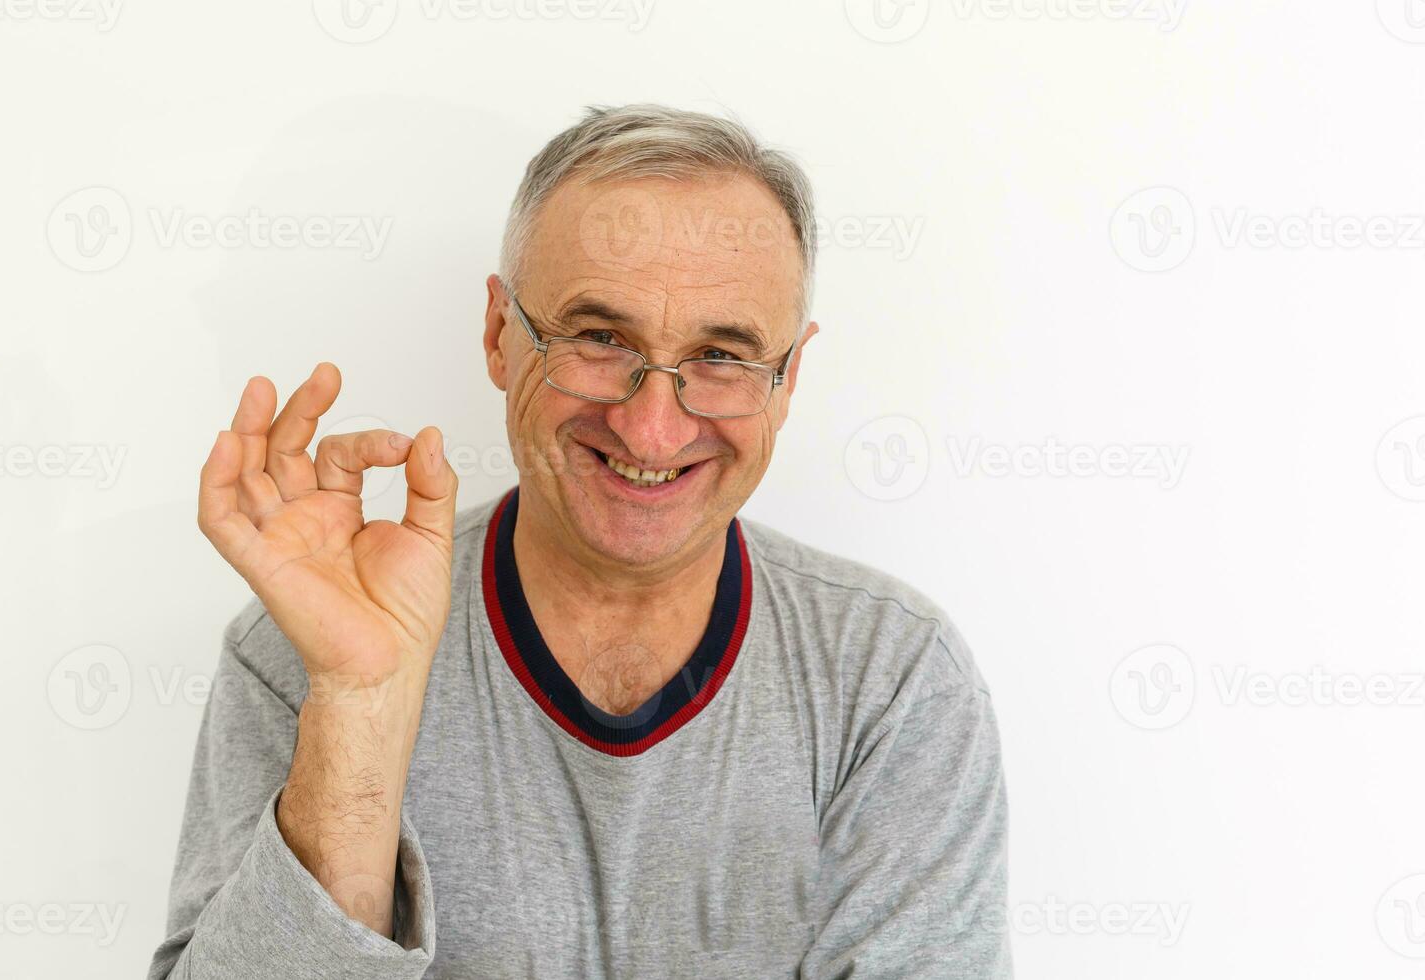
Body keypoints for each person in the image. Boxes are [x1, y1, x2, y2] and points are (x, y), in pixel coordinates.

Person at [151, 103, 1012, 979]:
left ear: (788, 381)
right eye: (601, 338)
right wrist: (359, 707)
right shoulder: (303, 649)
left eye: (721, 356)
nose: (650, 429)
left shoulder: (893, 678)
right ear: (499, 336)